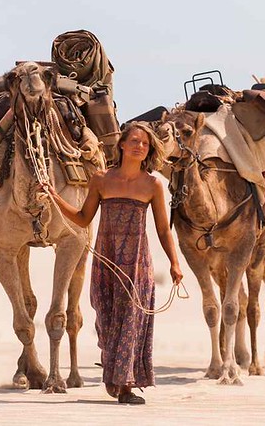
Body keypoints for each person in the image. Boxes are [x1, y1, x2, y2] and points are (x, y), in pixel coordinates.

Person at [44, 121, 184, 405]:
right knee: (107, 322)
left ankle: (126, 385)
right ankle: (115, 378)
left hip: (137, 263)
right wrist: (55, 197)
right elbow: (83, 218)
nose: (139, 146)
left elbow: (162, 229)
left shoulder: (153, 184)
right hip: (107, 261)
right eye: (134, 141)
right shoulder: (101, 179)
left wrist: (174, 262)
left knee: (132, 320)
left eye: (144, 143)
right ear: (121, 144)